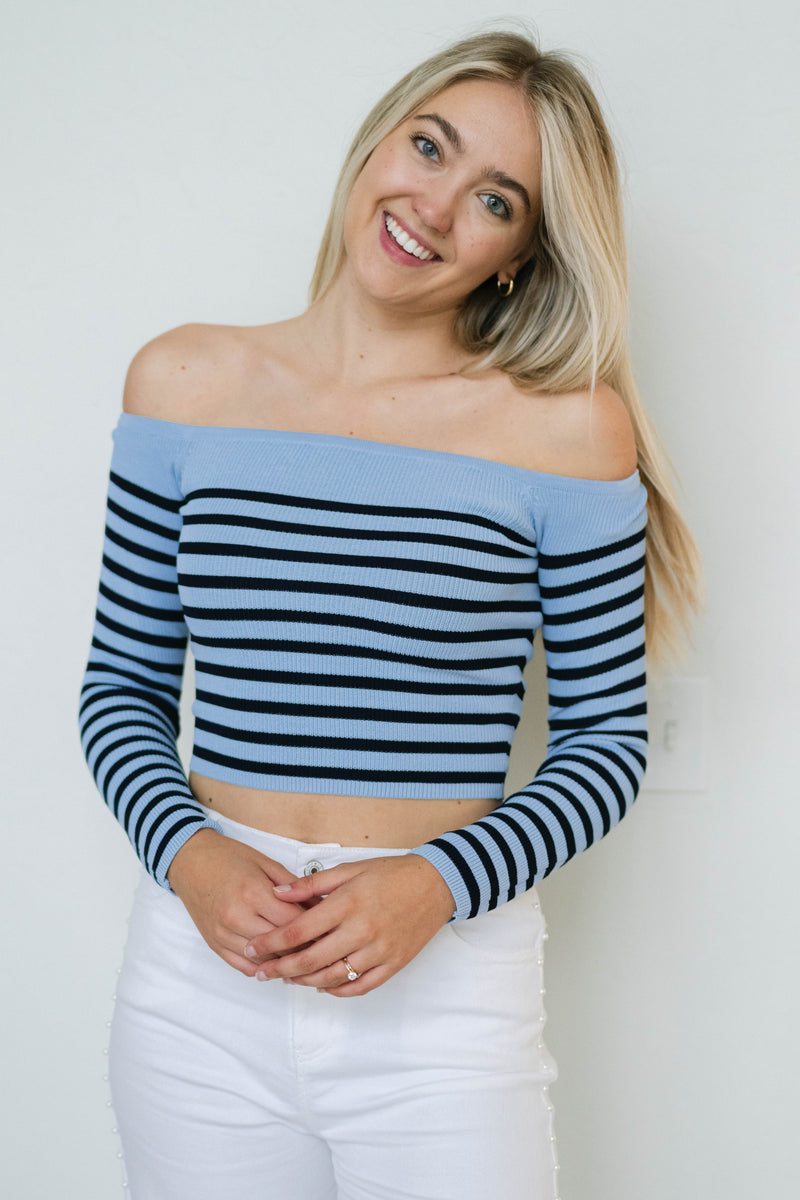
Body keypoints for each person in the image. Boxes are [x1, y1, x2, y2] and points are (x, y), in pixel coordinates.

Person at [79, 28, 699, 1200]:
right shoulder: (183, 384)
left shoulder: (565, 434)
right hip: (199, 987)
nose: (434, 206)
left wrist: (436, 884)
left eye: (495, 200)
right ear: (377, 142)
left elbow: (605, 744)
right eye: (428, 147)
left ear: (519, 255)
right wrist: (191, 857)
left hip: (442, 998)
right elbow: (121, 687)